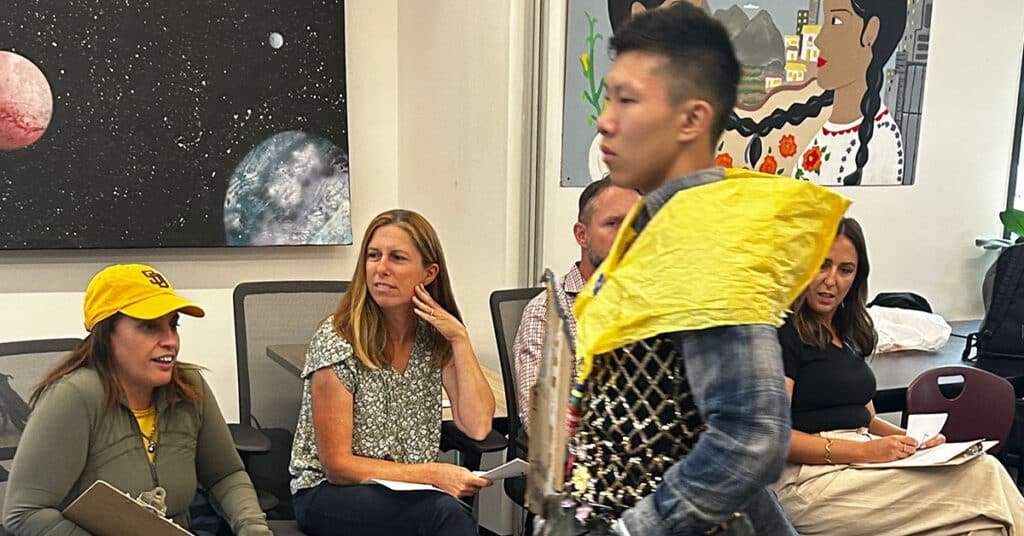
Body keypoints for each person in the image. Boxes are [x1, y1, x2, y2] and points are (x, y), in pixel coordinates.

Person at [563, 4, 850, 534]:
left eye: (628, 100)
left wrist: (634, 530)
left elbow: (752, 435)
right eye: (608, 97)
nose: (605, 119)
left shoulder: (706, 238)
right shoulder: (660, 227)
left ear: (691, 119)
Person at [775, 217, 1024, 534]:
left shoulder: (850, 332)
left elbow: (865, 417)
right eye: (821, 265)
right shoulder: (783, 334)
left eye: (845, 270)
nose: (830, 280)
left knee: (985, 526)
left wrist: (909, 442)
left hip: (857, 462)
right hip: (808, 480)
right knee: (984, 477)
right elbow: (776, 438)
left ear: (857, 276)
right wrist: (865, 451)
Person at [2, 264, 271, 536]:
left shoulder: (189, 388)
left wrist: (253, 526)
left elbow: (225, 476)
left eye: (173, 325)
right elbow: (24, 513)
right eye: (150, 327)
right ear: (106, 334)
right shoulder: (74, 396)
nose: (170, 341)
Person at [288, 209, 496, 536]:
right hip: (328, 493)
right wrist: (432, 475)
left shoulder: (434, 337)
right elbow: (338, 466)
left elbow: (479, 425)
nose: (381, 269)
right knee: (444, 515)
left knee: (444, 514)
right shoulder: (338, 337)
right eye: (373, 256)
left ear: (428, 274)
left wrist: (459, 339)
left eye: (397, 258)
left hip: (406, 492)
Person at [728, 0, 907, 186]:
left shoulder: (881, 142)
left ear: (871, 32)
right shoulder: (819, 119)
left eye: (836, 21)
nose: (819, 39)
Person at [513, 177, 638, 430]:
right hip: (589, 459)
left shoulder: (657, 305)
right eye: (613, 224)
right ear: (582, 235)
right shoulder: (546, 312)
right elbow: (541, 422)